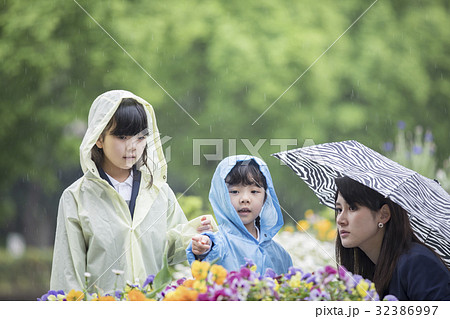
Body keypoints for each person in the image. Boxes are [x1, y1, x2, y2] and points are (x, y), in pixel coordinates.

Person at [50, 90, 216, 293]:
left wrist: (196, 238)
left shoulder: (159, 193)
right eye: (122, 136)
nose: (132, 147)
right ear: (99, 138)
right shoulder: (76, 198)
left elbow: (172, 249)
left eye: (140, 137)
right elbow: (67, 274)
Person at [335, 176, 450, 300]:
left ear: (383, 215)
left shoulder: (418, 263)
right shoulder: (372, 268)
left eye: (352, 208)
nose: (340, 220)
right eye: (339, 209)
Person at [186, 155, 292, 275]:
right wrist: (203, 247)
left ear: (265, 198)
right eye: (235, 191)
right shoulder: (220, 243)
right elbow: (207, 254)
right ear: (221, 197)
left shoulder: (280, 255)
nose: (245, 199)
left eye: (254, 191)